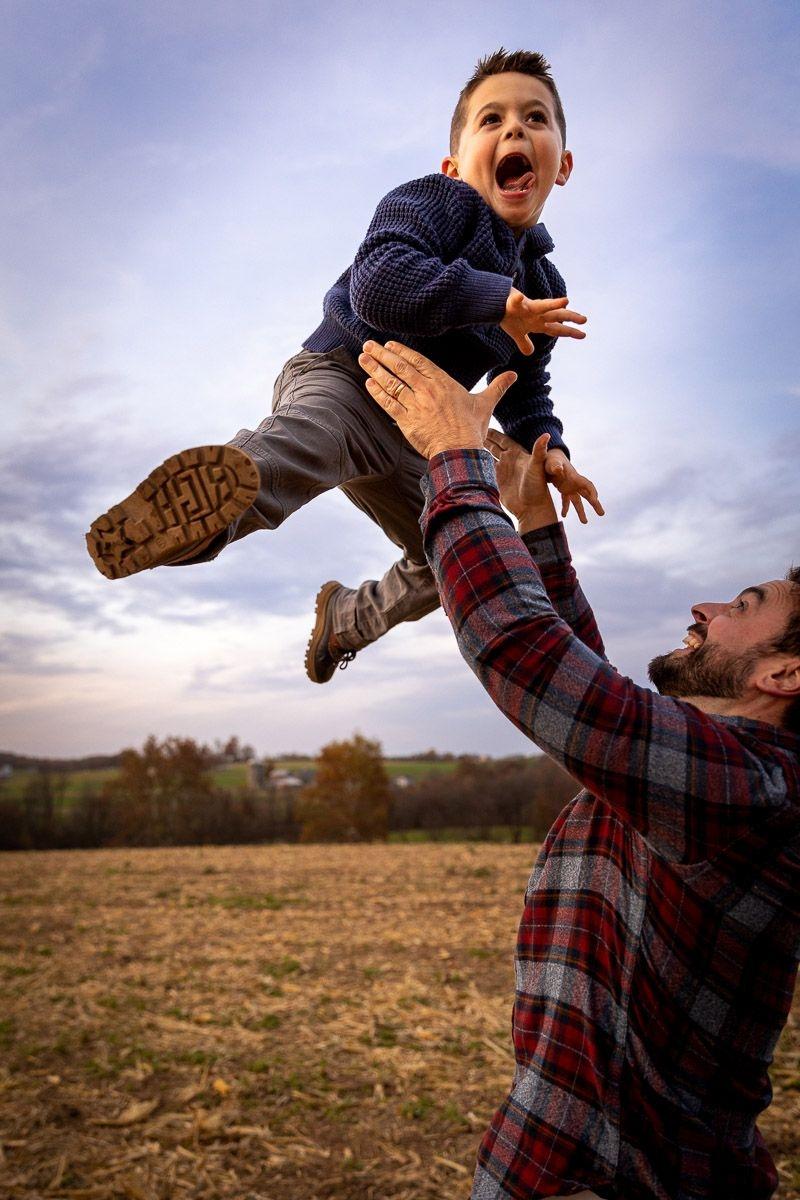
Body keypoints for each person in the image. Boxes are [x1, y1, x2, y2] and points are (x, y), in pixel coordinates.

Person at [358, 338, 800, 1200]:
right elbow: (598, 712)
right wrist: (533, 526)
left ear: (782, 677)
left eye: (741, 610)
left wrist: (455, 461)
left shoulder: (757, 790)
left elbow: (533, 662)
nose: (704, 608)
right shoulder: (720, 775)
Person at [85, 49, 603, 684]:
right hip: (344, 377)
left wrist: (549, 449)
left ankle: (347, 619)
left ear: (564, 164)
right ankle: (198, 520)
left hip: (419, 433)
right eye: (491, 120)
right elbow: (380, 283)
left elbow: (525, 388)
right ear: (453, 164)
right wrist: (493, 300)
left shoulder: (543, 282)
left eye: (535, 118)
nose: (515, 130)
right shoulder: (434, 203)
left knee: (458, 553)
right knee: (309, 445)